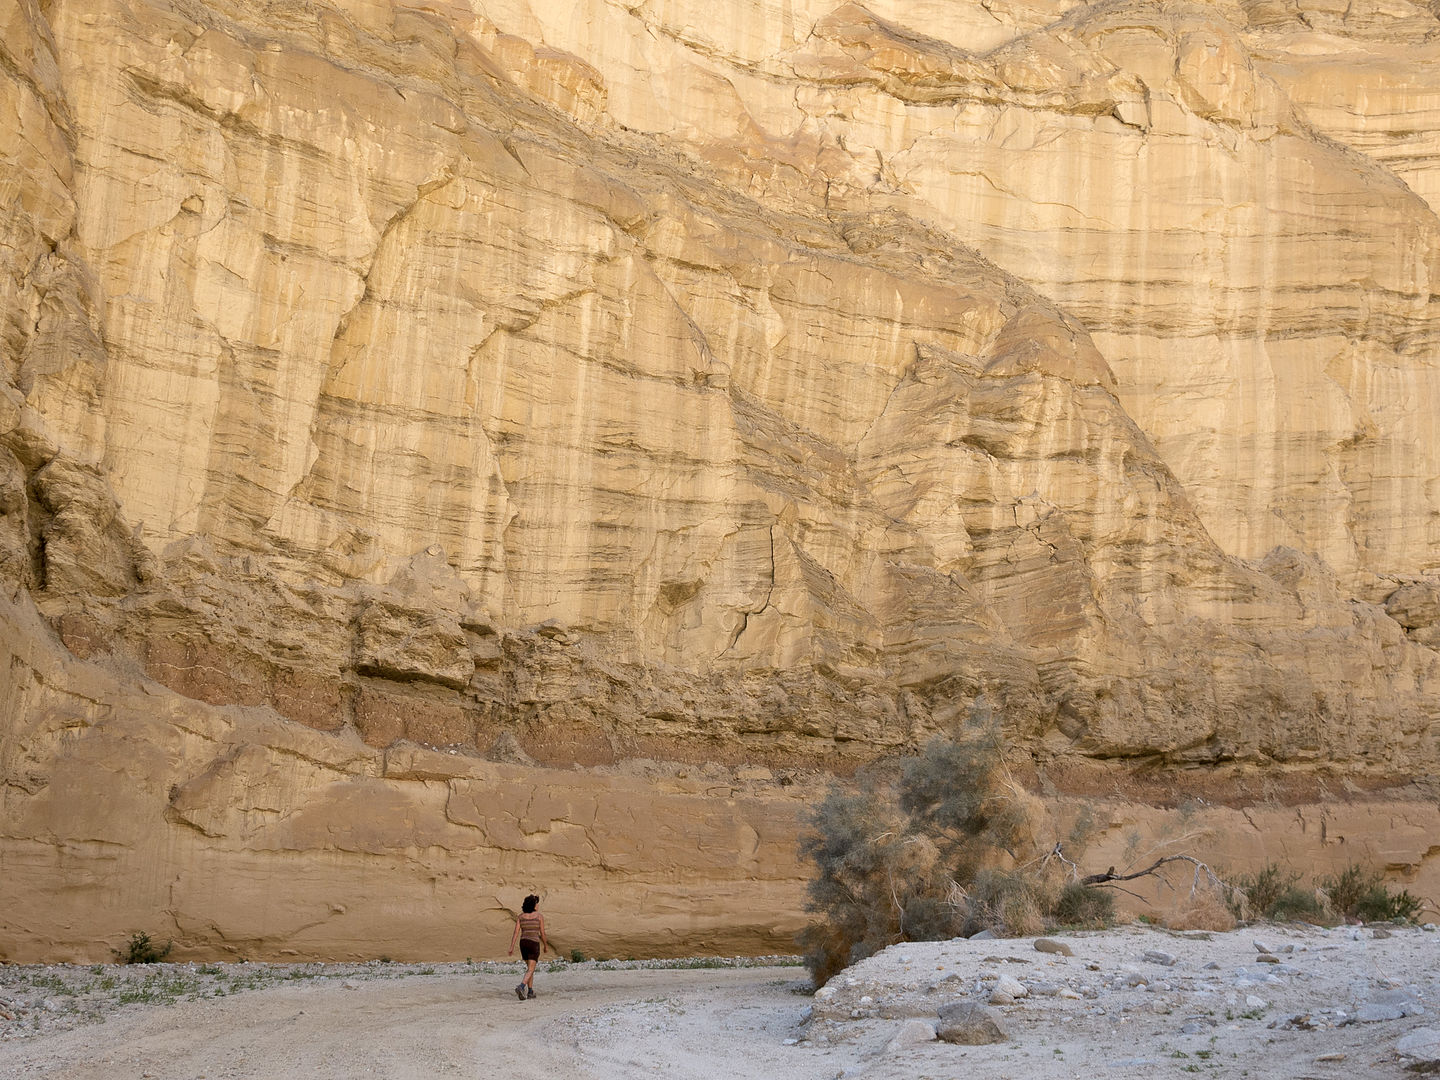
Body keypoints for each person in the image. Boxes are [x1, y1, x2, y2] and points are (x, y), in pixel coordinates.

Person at [507, 894, 548, 1000]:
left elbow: (516, 933)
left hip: (523, 943)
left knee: (530, 969)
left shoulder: (521, 917)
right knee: (531, 969)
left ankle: (530, 992)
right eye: (537, 904)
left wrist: (511, 947)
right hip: (533, 943)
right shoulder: (539, 916)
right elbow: (542, 933)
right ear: (534, 905)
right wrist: (545, 945)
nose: (538, 906)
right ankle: (521, 986)